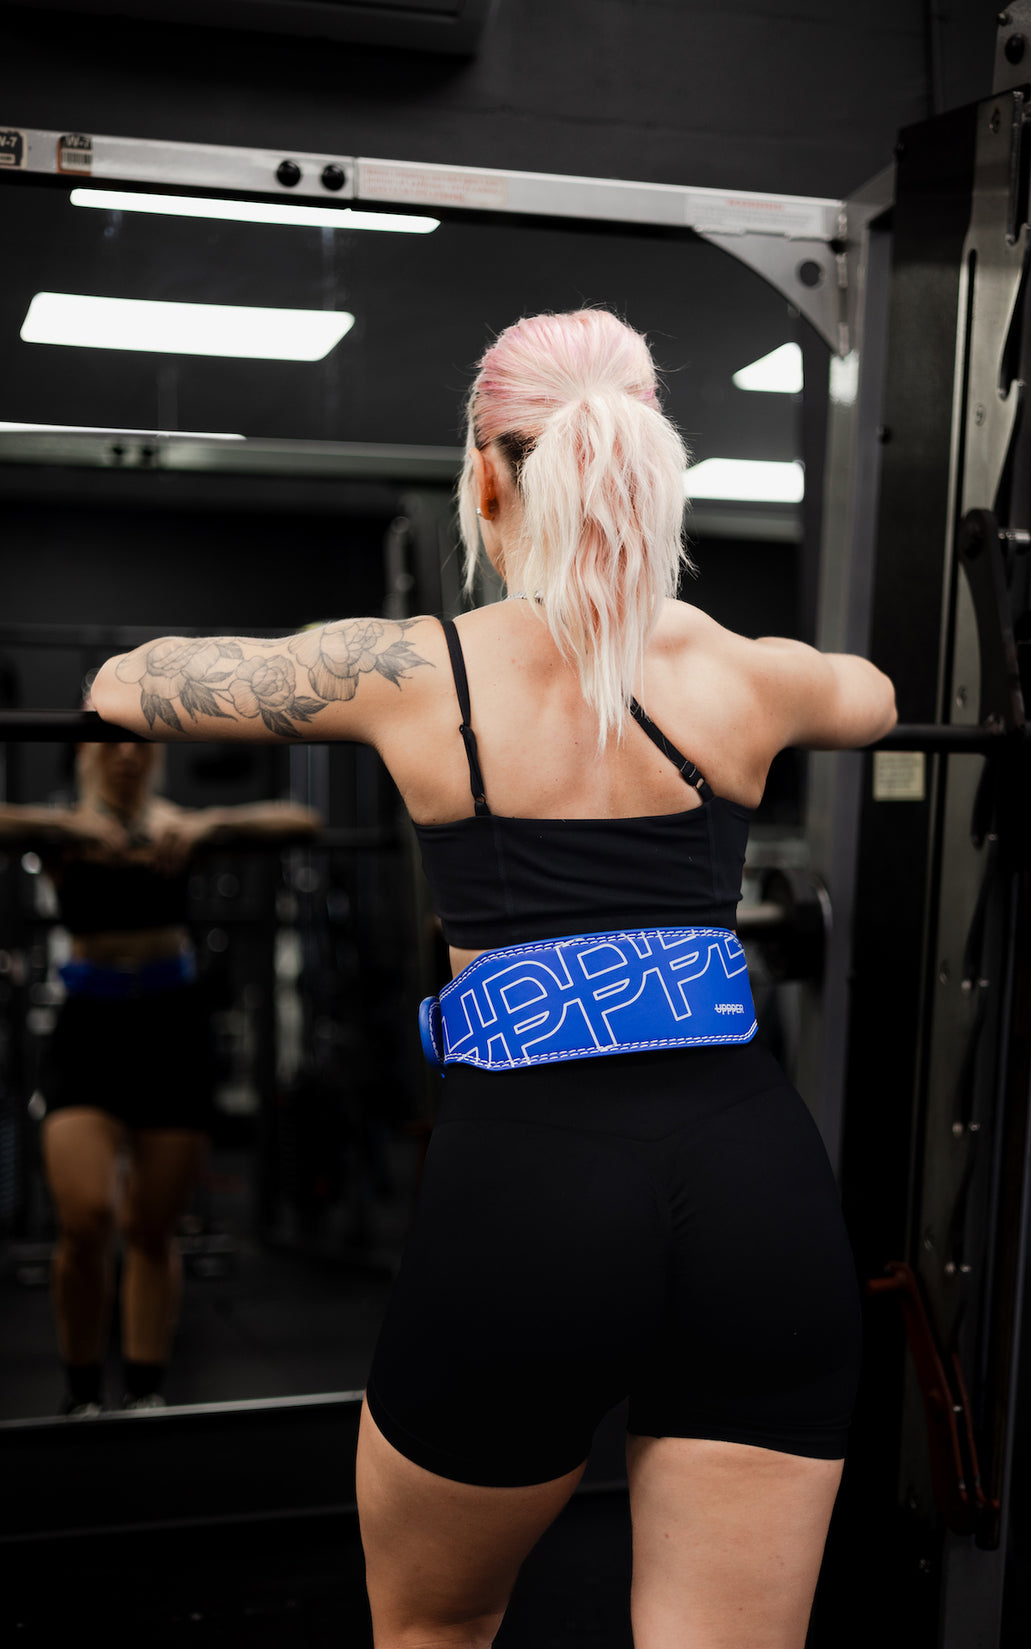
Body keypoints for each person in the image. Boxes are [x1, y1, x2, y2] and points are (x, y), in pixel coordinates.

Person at [91, 308, 896, 1649]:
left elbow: (133, 686)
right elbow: (869, 695)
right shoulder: (747, 677)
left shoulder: (420, 671)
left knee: (435, 1632)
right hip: (755, 1182)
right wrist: (717, 645)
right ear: (652, 467)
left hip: (534, 1186)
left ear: (486, 476)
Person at [0, 731, 320, 1415]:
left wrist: (206, 823)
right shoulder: (63, 831)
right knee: (85, 1216)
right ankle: (81, 1391)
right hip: (88, 1024)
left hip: (172, 1026)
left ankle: (145, 1390)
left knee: (151, 1226)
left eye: (139, 744)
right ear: (84, 752)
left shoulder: (178, 825)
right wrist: (61, 824)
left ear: (157, 755)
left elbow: (303, 820)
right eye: (109, 744)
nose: (125, 755)